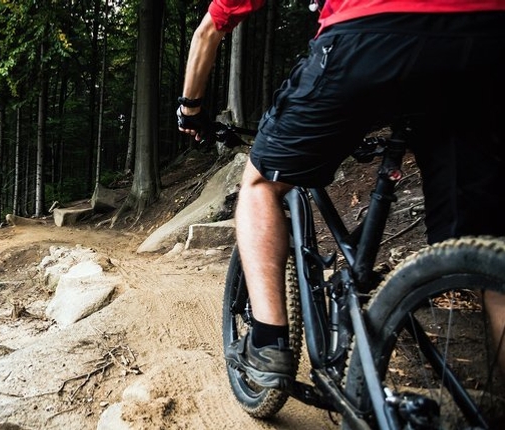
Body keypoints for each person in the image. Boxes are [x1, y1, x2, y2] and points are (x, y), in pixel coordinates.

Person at [178, 0, 505, 389]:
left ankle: (268, 343)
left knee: (261, 183)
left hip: (369, 34)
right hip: (485, 41)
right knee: (487, 246)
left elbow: (209, 29)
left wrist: (191, 108)